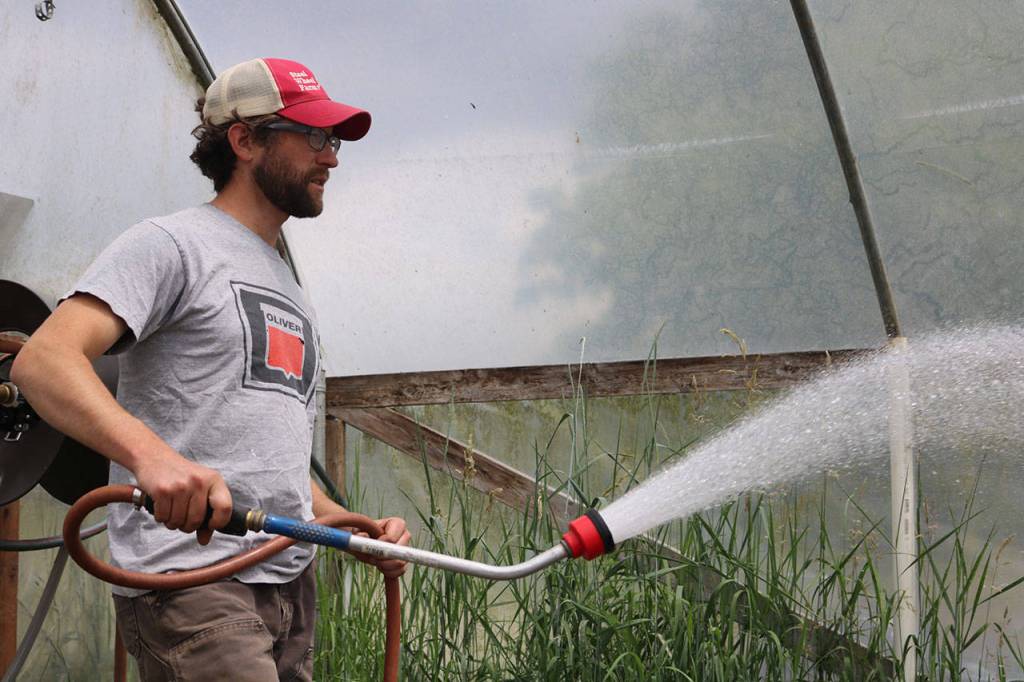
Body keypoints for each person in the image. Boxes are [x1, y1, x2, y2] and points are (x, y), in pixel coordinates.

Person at [11, 57, 410, 681]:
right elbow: (43, 359)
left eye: (333, 140)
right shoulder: (171, 245)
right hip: (194, 582)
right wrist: (153, 459)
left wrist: (350, 528)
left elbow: (269, 464)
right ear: (245, 140)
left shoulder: (288, 286)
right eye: (313, 136)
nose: (331, 158)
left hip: (287, 591)